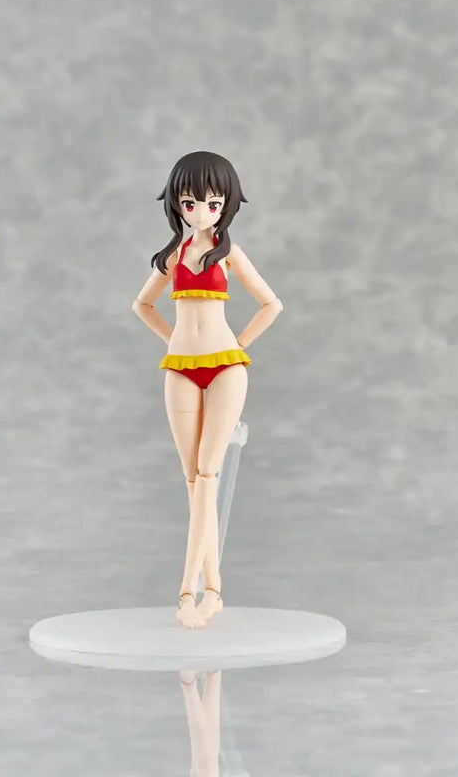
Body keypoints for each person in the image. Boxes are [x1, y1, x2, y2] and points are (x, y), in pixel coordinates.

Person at [132, 151, 283, 629]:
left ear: (226, 206)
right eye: (190, 203)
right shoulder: (171, 257)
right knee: (194, 481)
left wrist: (238, 345)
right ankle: (213, 591)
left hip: (225, 369)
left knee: (207, 473)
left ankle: (187, 592)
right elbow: (142, 305)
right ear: (177, 204)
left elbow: (271, 304)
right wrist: (174, 340)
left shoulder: (228, 253)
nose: (201, 212)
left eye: (213, 204)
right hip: (179, 369)